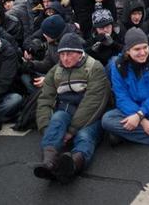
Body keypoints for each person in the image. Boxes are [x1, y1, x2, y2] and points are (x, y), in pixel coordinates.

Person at [34, 33, 111, 183]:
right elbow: (45, 100)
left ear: (79, 53)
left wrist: (71, 131)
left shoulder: (94, 68)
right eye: (62, 54)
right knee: (56, 120)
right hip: (65, 110)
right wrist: (46, 129)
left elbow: (93, 103)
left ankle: (74, 164)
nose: (65, 59)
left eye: (69, 54)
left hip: (92, 115)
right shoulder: (55, 71)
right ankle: (48, 162)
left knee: (85, 136)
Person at [101, 28, 149, 146]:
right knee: (107, 120)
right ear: (128, 51)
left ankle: (124, 135)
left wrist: (140, 115)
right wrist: (142, 121)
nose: (142, 52)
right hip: (131, 110)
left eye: (145, 47)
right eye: (137, 49)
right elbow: (122, 97)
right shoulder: (118, 66)